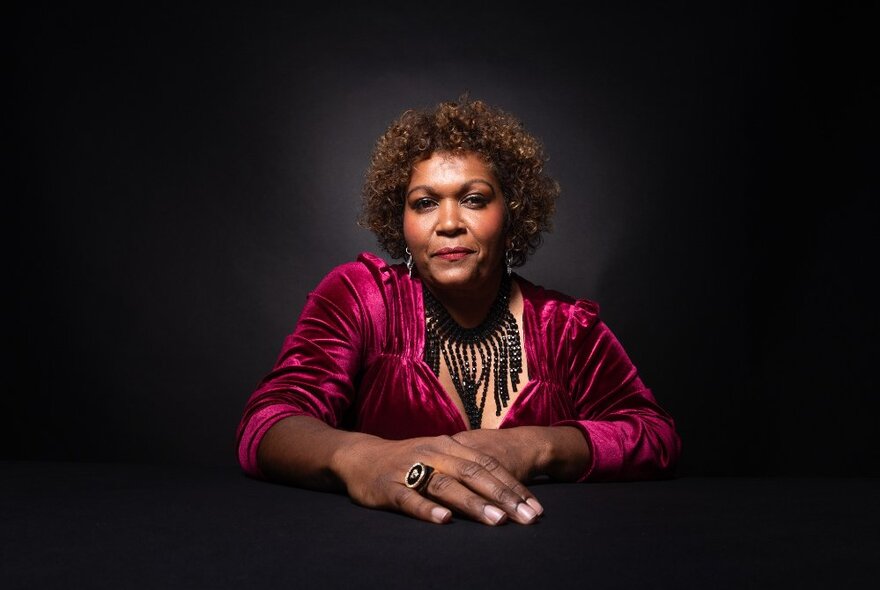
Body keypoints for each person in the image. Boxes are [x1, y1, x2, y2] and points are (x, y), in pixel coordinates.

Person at [236, 95, 681, 526]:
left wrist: (536, 445)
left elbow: (655, 435)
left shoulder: (567, 328)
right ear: (401, 220)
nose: (448, 223)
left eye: (473, 198)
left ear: (513, 213)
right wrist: (362, 457)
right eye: (425, 202)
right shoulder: (363, 298)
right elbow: (268, 422)